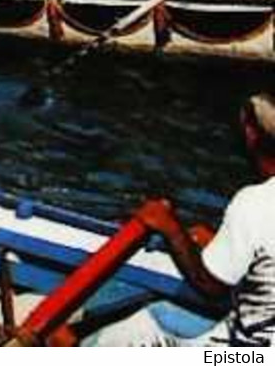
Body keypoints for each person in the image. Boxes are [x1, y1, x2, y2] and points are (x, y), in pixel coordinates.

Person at [88, 92, 275, 347]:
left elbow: (209, 286)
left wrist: (169, 227)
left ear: (252, 134)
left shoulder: (254, 202)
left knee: (135, 331)